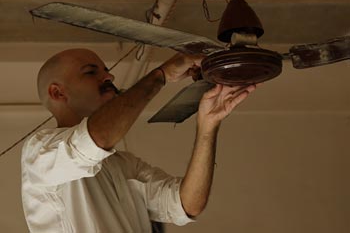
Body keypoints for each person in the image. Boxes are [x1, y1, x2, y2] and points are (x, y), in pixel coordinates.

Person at [21, 48, 256, 232]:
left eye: (105, 70)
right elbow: (97, 138)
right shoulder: (40, 151)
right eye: (91, 72)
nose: (109, 76)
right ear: (58, 93)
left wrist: (208, 126)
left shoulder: (122, 164)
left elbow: (186, 205)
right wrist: (160, 75)